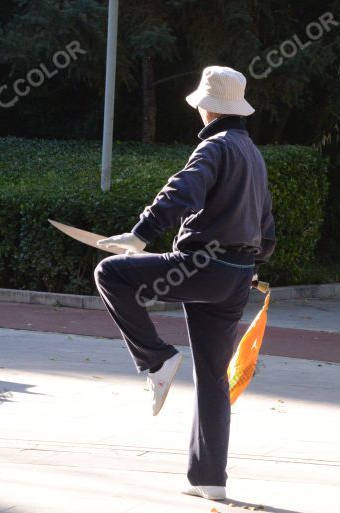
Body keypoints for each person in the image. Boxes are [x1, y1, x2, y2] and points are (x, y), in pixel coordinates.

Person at [93, 66, 275, 500]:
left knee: (110, 274)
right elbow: (266, 229)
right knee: (213, 376)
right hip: (237, 275)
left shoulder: (216, 146)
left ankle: (156, 359)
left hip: (201, 265)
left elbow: (183, 192)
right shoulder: (252, 152)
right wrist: (250, 265)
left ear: (208, 108)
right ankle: (211, 479)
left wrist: (139, 234)